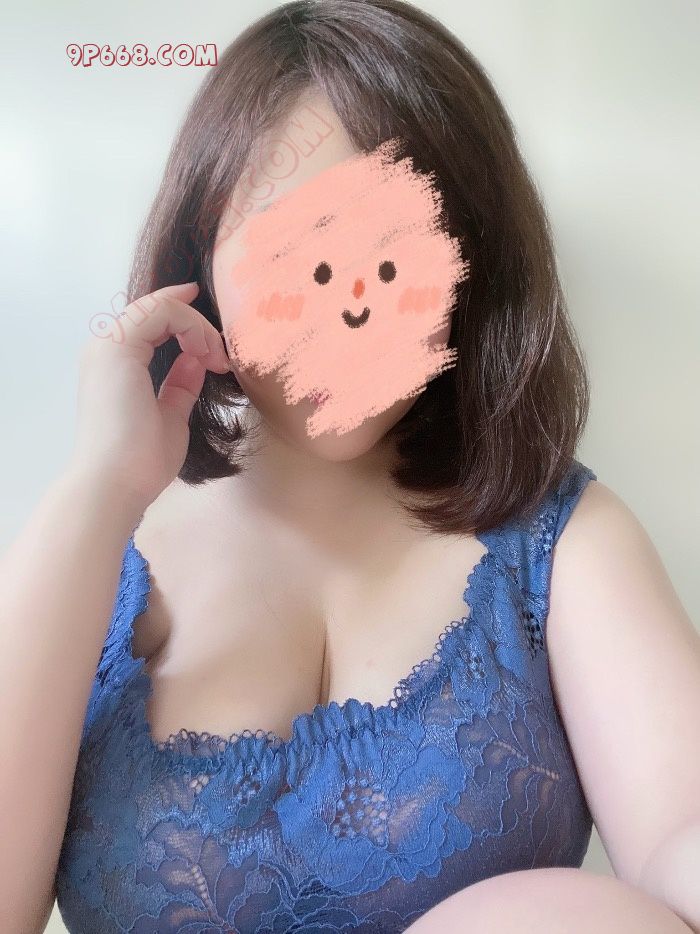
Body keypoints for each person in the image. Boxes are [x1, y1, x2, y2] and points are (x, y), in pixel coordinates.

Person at [2, 2, 697, 932]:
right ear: (202, 259)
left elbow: (680, 834)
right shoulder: (99, 560)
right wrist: (98, 491)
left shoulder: (558, 542)